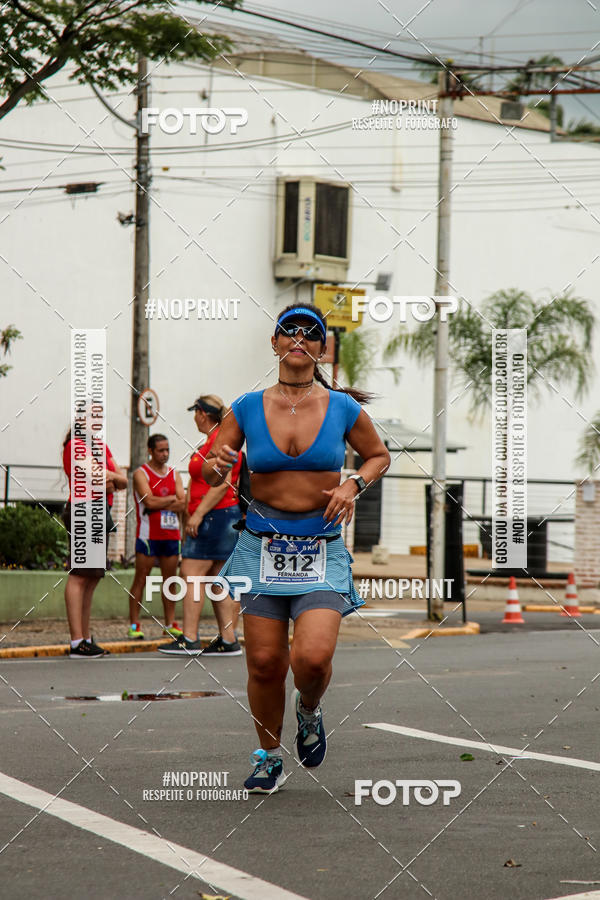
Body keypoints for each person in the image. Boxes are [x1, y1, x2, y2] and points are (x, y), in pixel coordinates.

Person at [203, 303, 390, 792]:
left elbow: (378, 456)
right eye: (290, 332)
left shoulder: (343, 408)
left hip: (320, 548)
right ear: (275, 343)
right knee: (264, 663)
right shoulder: (246, 406)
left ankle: (308, 709)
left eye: (310, 333)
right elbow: (210, 471)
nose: (299, 340)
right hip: (261, 546)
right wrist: (218, 463)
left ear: (322, 348)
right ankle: (268, 756)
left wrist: (352, 484)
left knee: (311, 659)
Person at [159, 395, 243, 657]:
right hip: (222, 515)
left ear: (202, 413)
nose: (194, 417)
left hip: (212, 516)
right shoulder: (216, 439)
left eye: (195, 412)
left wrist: (197, 515)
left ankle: (190, 638)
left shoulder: (220, 441)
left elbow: (224, 482)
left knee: (191, 575)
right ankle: (228, 639)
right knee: (217, 579)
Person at [62, 423, 127, 657]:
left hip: (101, 512)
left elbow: (123, 481)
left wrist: (107, 479)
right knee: (80, 575)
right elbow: (101, 478)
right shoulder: (74, 445)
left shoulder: (102, 447)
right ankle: (76, 641)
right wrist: (108, 479)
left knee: (92, 578)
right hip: (83, 511)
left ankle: (86, 638)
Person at [128, 434, 186, 639]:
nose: (165, 454)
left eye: (167, 450)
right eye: (161, 450)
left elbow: (183, 503)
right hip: (148, 535)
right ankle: (134, 624)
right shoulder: (140, 474)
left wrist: (164, 500)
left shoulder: (174, 473)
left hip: (171, 535)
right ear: (150, 451)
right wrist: (171, 499)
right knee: (141, 579)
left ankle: (170, 623)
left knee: (170, 580)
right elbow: (149, 502)